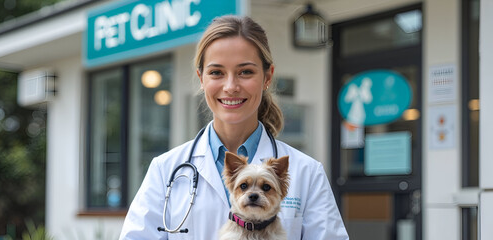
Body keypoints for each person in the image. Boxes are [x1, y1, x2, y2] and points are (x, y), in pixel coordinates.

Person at [119, 15, 349, 240]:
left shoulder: (306, 172)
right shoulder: (165, 170)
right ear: (201, 78)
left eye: (245, 72)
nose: (230, 87)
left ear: (268, 76)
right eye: (216, 72)